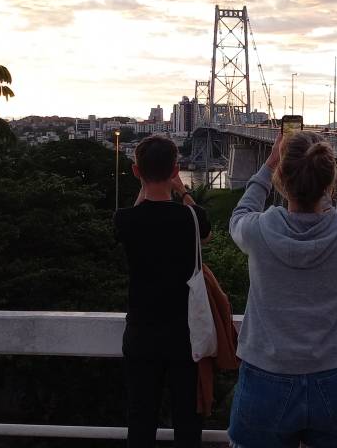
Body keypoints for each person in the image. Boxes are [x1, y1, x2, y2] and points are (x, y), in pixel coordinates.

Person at [228, 130, 337, 448]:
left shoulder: (257, 233)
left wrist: (268, 165)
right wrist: (317, 178)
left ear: (280, 178)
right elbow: (328, 212)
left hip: (266, 375)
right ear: (328, 183)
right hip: (334, 377)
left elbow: (240, 213)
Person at [113, 135, 211, 448]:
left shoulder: (125, 220)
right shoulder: (191, 218)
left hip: (142, 332)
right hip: (184, 334)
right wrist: (181, 190)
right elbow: (204, 231)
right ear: (175, 170)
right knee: (187, 421)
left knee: (140, 419)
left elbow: (139, 212)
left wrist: (146, 184)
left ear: (136, 171)